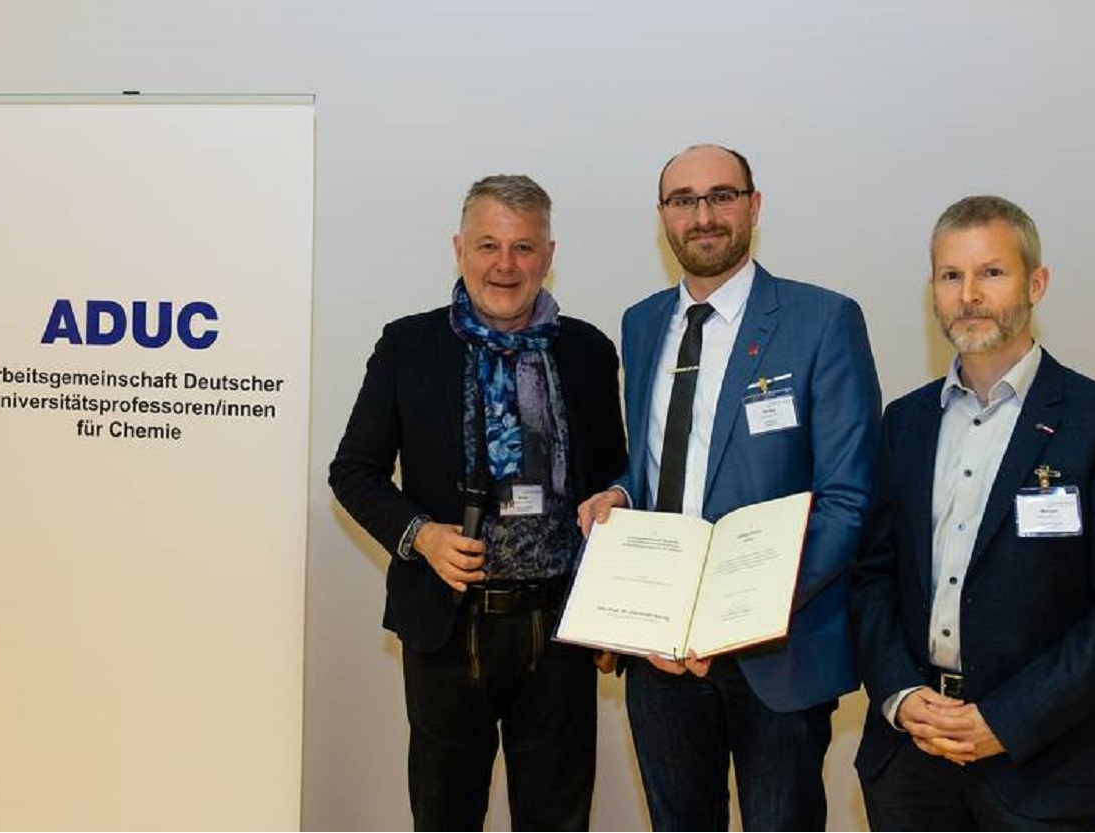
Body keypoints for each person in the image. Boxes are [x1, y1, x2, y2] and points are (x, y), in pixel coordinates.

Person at [575, 144, 880, 830]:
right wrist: (621, 495)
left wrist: (739, 617)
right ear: (663, 216)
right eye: (683, 200)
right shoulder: (642, 323)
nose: (703, 216)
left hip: (776, 650)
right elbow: (657, 463)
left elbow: (848, 498)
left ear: (754, 205)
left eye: (721, 196)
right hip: (659, 654)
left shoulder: (822, 320)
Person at [850, 195, 1095, 830]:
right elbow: (871, 576)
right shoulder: (904, 423)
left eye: (991, 272)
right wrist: (900, 695)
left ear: (1036, 284)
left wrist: (1006, 720)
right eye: (951, 275)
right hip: (912, 761)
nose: (969, 295)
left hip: (1043, 765)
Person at [329, 175, 627, 830]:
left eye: (523, 247)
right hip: (448, 627)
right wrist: (422, 535)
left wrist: (613, 602)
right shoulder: (408, 346)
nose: (504, 265)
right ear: (459, 248)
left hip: (559, 633)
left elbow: (613, 479)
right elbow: (353, 472)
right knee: (445, 817)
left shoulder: (587, 351)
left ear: (549, 255)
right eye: (488, 245)